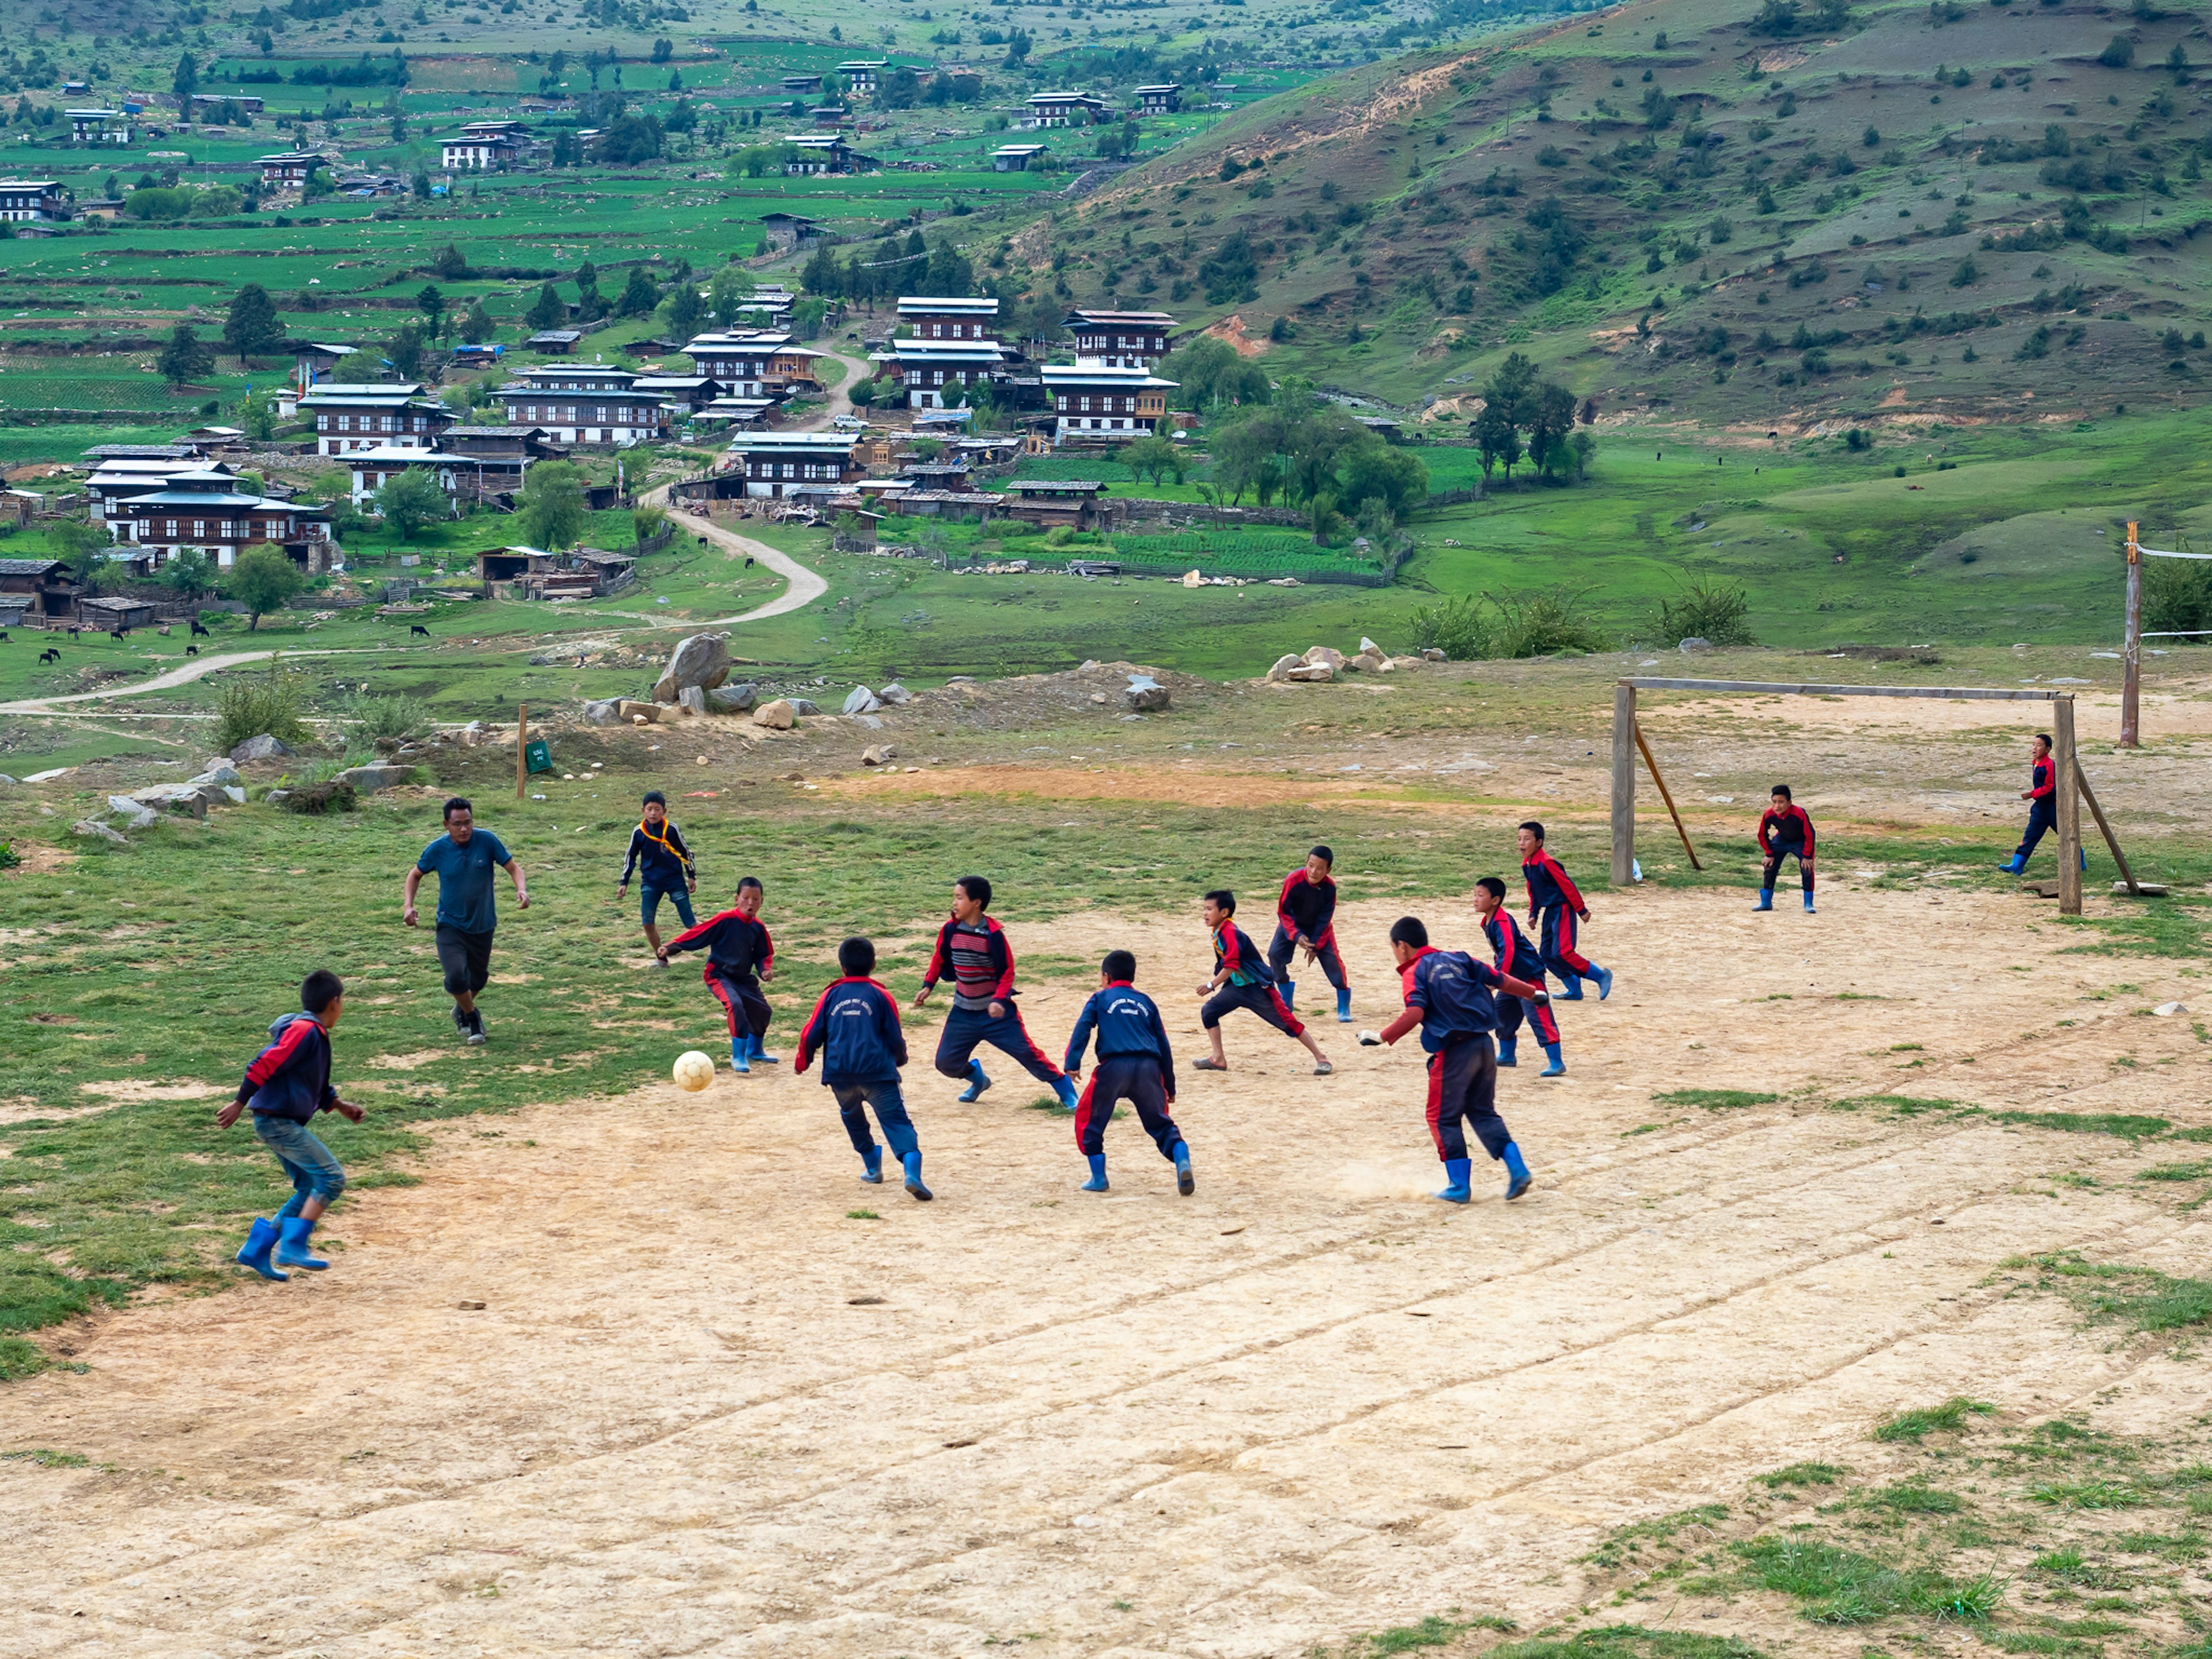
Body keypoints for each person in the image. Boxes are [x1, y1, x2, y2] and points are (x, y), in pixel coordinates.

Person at [1365, 916, 1544, 1203]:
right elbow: (1499, 979)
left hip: (1454, 1052)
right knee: (1483, 1111)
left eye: (1394, 948)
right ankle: (1518, 1169)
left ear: (1402, 946)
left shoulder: (1415, 971)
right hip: (1485, 1046)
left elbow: (1415, 1013)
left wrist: (1382, 1036)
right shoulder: (1459, 958)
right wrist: (1533, 993)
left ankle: (1459, 1186)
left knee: (1442, 1117)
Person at [218, 968, 366, 1279]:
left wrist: (339, 1106)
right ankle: (293, 1246)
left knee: (308, 1186)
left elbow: (312, 1083)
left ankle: (257, 1249)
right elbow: (264, 1063)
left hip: (278, 1122)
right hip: (278, 1123)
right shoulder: (305, 1031)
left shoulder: (314, 1034)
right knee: (331, 1178)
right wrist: (239, 1102)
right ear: (335, 1002)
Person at [913, 874, 1080, 1109]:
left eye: (959, 898)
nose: (954, 903)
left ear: (976, 902)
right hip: (963, 1013)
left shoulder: (993, 935)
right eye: (954, 898)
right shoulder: (951, 930)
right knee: (946, 1063)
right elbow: (939, 958)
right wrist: (928, 986)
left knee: (1028, 1055)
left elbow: (1007, 972)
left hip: (998, 1016)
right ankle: (978, 1079)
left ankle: (1065, 1089)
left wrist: (999, 999)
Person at [797, 935, 930, 1200]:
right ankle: (912, 1174)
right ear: (874, 965)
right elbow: (894, 1034)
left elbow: (811, 1033)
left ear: (842, 967)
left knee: (852, 1117)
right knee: (897, 1122)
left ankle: (872, 1166)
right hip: (878, 1074)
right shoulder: (881, 995)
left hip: (840, 1075)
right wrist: (900, 1058)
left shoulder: (830, 994)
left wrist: (804, 1060)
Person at [1063, 949, 1191, 1196]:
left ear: (1106, 977)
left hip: (1114, 1068)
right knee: (1161, 1124)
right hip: (1149, 1068)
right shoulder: (1146, 1002)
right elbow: (1164, 1044)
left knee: (1090, 1119)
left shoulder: (1100, 999)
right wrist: (1170, 1086)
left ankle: (1098, 1178)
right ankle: (1182, 1159)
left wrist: (1072, 1062)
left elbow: (1083, 1028)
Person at [403, 797, 528, 1045]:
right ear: (446, 825)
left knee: (478, 979)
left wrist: (522, 889)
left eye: (468, 823)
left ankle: (462, 1007)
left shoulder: (487, 841)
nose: (464, 829)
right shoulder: (438, 849)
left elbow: (514, 868)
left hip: (483, 924)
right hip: (450, 924)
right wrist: (408, 905)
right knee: (456, 977)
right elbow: (415, 875)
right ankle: (472, 1018)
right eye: (458, 824)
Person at [1194, 888, 1332, 1075]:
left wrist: (1211, 985)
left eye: (1209, 909)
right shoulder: (1219, 931)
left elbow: (1232, 965)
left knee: (1288, 1022)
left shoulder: (1230, 933)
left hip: (1257, 988)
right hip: (1236, 987)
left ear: (1224, 913)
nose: (1205, 913)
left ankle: (1321, 1057)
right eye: (1205, 909)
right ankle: (1218, 1059)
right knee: (1209, 1012)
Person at [658, 876, 778, 1074]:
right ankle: (738, 1056)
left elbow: (764, 953)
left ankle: (755, 1050)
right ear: (736, 899)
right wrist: (671, 948)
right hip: (719, 976)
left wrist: (765, 968)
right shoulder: (725, 920)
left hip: (743, 979)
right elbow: (699, 933)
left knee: (762, 1010)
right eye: (746, 898)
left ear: (761, 902)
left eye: (755, 899)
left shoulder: (758, 928)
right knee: (736, 1005)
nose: (750, 903)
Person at [1474, 876, 1563, 1077]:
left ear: (1495, 900)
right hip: (1510, 978)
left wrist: (1496, 979)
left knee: (1538, 1016)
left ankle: (1557, 1062)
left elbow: (1509, 951)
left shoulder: (1502, 921)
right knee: (1502, 1014)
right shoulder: (1488, 921)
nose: (1475, 899)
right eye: (1475, 895)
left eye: (1480, 895)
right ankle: (1507, 1056)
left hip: (1527, 975)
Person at [1518, 820, 1611, 1001]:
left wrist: (1581, 909)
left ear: (1539, 843)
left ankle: (1601, 976)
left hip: (1563, 909)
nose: (1522, 843)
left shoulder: (1548, 863)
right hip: (1550, 912)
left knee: (1563, 952)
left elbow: (1567, 886)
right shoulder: (1527, 865)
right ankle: (1574, 989)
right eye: (1519, 839)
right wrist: (1533, 914)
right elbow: (1534, 890)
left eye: (1527, 839)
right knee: (1546, 955)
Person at [1268, 844, 1352, 1022]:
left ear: (1328, 870)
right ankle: (1286, 996)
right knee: (1275, 955)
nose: (1314, 871)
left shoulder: (1330, 888)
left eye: (1320, 868)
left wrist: (1316, 945)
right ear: (1306, 863)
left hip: (1319, 929)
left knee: (1334, 965)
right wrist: (1296, 935)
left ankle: (1344, 1005)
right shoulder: (1293, 880)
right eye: (1311, 865)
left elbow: (1325, 918)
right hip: (1291, 925)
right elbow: (1283, 911)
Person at [616, 790, 698, 961]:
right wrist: (624, 882)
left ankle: (720, 946)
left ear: (664, 811)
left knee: (691, 924)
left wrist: (691, 875)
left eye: (657, 809)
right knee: (647, 923)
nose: (653, 813)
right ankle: (661, 958)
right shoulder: (639, 832)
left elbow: (686, 852)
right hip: (650, 883)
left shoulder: (672, 830)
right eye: (650, 809)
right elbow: (630, 857)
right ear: (643, 811)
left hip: (674, 881)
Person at [2001, 733, 2082, 874]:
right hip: (2040, 808)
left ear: (2048, 749)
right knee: (2030, 835)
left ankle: (2080, 860)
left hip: (2052, 807)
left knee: (2066, 834)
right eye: (2034, 745)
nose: (2035, 748)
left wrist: (2032, 794)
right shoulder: (2036, 763)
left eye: (2039, 745)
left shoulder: (2049, 765)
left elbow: (2050, 788)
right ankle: (2017, 865)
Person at [1756, 785, 1816, 914]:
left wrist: (1807, 856)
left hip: (1801, 841)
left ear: (1789, 803)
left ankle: (1808, 903)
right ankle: (1766, 902)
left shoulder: (1799, 813)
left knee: (1807, 868)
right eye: (1774, 802)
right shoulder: (1769, 814)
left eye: (1781, 802)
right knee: (1769, 866)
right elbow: (1762, 834)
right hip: (1782, 840)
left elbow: (1810, 834)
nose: (1777, 806)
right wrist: (1769, 853)